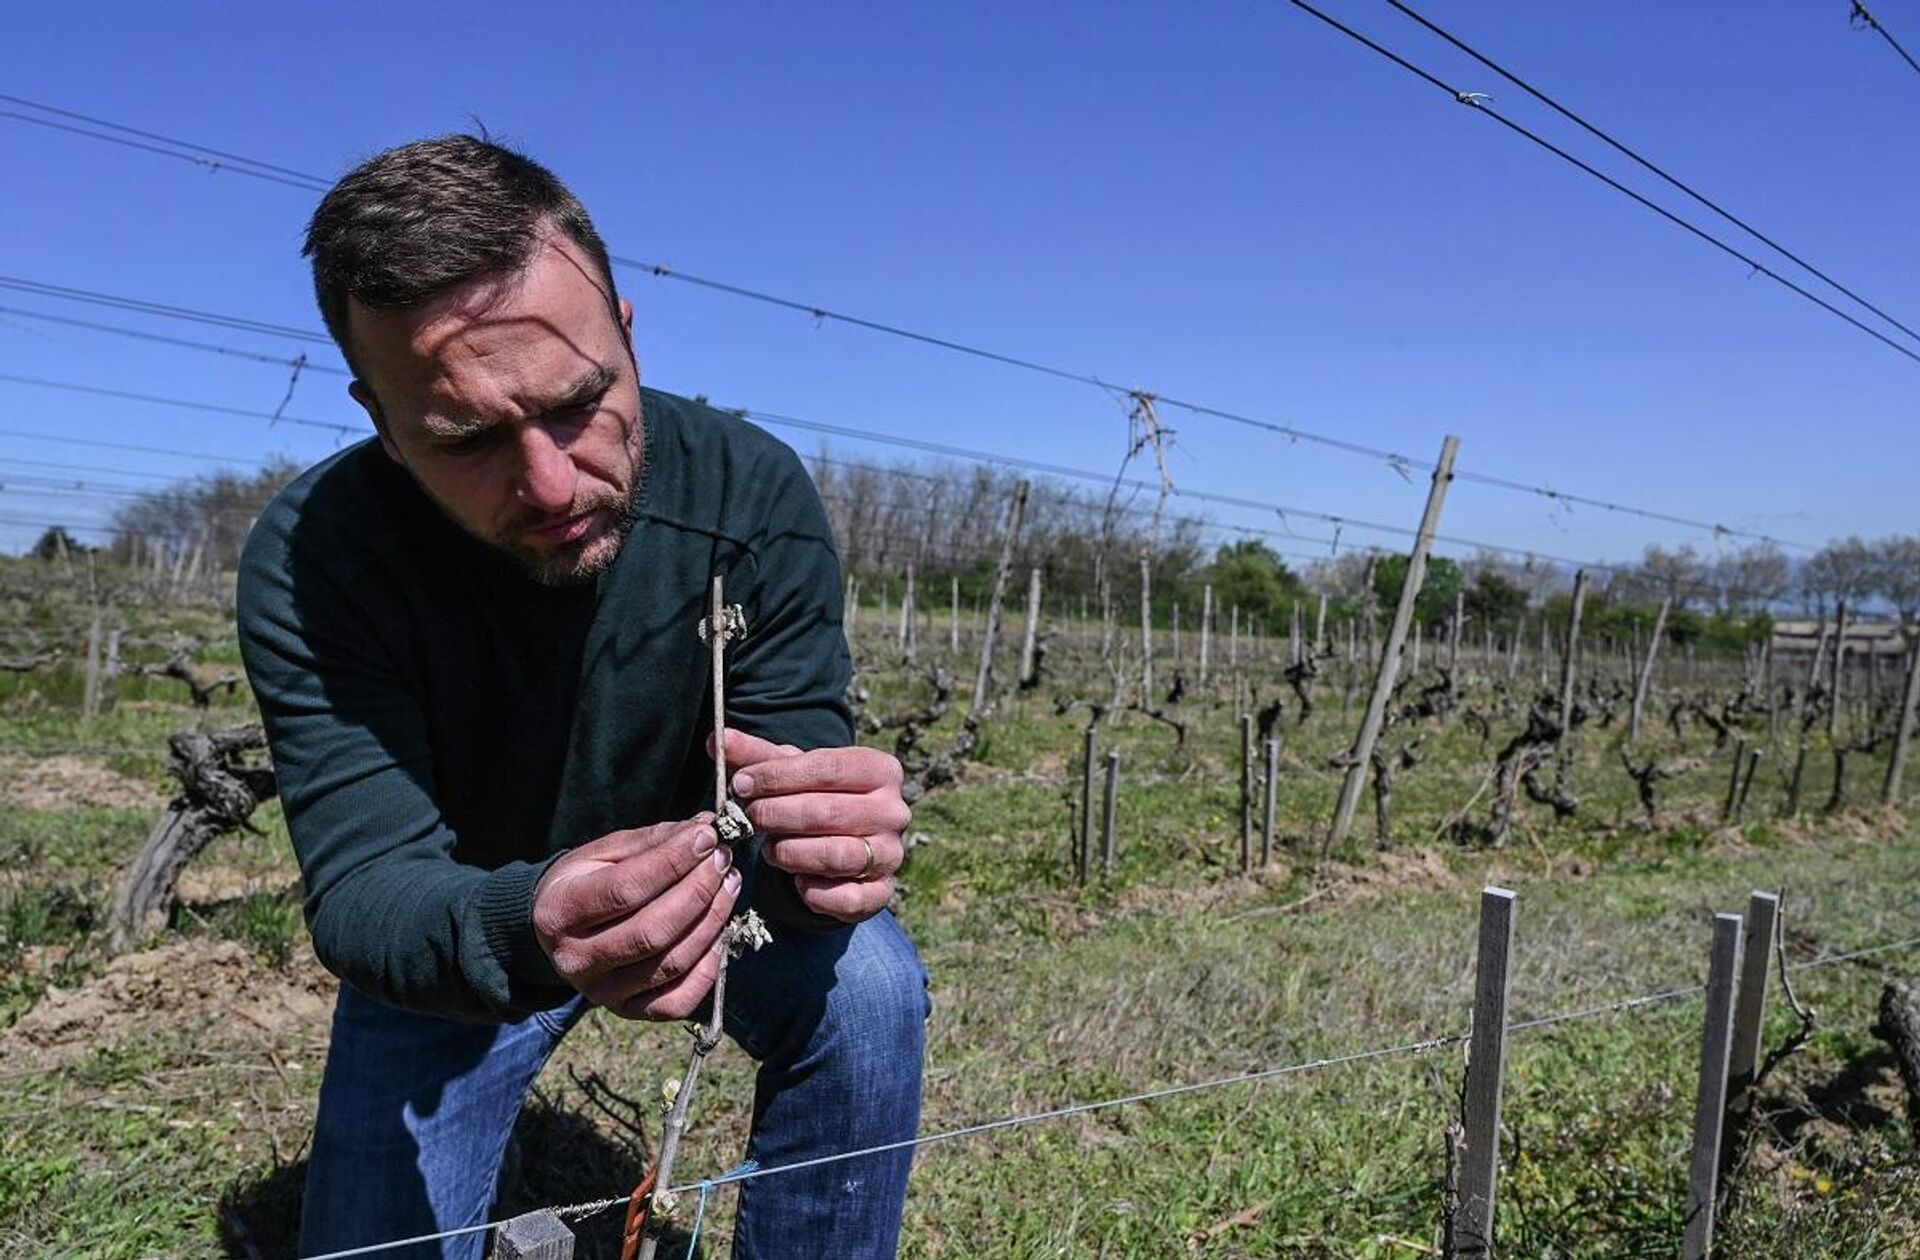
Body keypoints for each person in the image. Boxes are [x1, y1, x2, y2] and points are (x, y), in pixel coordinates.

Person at [236, 135, 928, 1259]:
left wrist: (832, 849)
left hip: (710, 883)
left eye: (577, 401)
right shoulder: (320, 555)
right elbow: (364, 890)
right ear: (378, 415)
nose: (551, 482)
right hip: (466, 920)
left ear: (626, 330)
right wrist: (533, 921)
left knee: (871, 987)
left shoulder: (749, 493)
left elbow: (798, 775)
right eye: (465, 439)